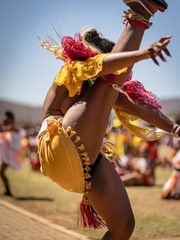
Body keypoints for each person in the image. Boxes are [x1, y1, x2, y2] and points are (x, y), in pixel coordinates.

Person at [37, 0, 180, 239]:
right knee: (112, 79)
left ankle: (140, 14)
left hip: (83, 168)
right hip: (56, 149)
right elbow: (104, 67)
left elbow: (135, 105)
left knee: (123, 227)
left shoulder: (105, 92)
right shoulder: (72, 72)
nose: (125, 72)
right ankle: (140, 13)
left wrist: (175, 128)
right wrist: (143, 54)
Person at [0, 111, 23, 196]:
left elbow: (8, 129)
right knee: (1, 172)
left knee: (1, 172)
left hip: (11, 155)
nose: (4, 122)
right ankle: (8, 191)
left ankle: (8, 191)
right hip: (9, 154)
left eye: (6, 120)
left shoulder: (14, 127)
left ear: (11, 120)